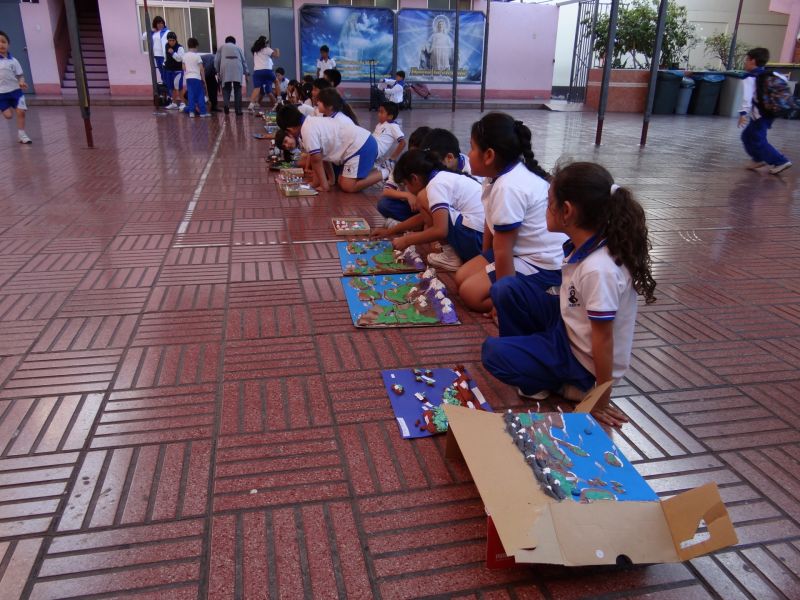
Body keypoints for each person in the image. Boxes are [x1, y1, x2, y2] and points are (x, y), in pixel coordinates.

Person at [481, 162, 657, 427]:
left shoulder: (599, 269)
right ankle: (536, 364)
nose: (545, 208)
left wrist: (600, 399)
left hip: (581, 361)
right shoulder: (588, 246)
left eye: (548, 202)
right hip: (569, 326)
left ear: (566, 211)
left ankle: (568, 385)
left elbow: (603, 339)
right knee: (506, 289)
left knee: (493, 352)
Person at [454, 113, 565, 314]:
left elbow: (503, 250)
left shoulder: (509, 187)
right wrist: (485, 258)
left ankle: (543, 301)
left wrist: (503, 301)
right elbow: (491, 223)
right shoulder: (495, 177)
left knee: (470, 294)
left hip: (542, 262)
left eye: (472, 148)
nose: (468, 154)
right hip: (519, 251)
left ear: (489, 155)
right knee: (461, 277)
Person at [373, 149, 484, 271]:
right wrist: (389, 231)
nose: (407, 189)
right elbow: (423, 217)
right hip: (480, 239)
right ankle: (452, 254)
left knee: (422, 197)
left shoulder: (435, 185)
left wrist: (406, 240)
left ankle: (450, 257)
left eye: (406, 184)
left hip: (476, 240)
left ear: (414, 178)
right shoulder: (441, 177)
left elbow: (440, 230)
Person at [276, 105, 383, 193]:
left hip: (361, 146)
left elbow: (316, 160)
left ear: (290, 129)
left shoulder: (307, 130)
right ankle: (377, 168)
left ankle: (385, 171)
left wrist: (324, 186)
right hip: (361, 144)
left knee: (348, 186)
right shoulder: (309, 122)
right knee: (340, 180)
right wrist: (329, 181)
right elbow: (323, 157)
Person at [739, 47, 792, 175]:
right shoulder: (771, 74)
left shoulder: (750, 77)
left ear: (753, 61)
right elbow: (784, 83)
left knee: (758, 139)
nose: (745, 62)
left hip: (760, 114)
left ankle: (780, 161)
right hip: (770, 111)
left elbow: (747, 98)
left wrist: (743, 114)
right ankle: (757, 159)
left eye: (747, 60)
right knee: (746, 136)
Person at [377, 126, 430, 226]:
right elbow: (387, 191)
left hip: (430, 209)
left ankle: (414, 225)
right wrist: (408, 195)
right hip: (412, 208)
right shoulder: (403, 164)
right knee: (384, 204)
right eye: (412, 153)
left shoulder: (433, 169)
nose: (414, 158)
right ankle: (414, 224)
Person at [0, 30, 31, 144]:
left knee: (21, 112)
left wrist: (22, 82)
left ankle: (22, 135)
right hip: (2, 94)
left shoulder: (14, 61)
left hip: (16, 92)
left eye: (3, 42)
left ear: (8, 44)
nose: (1, 44)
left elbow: (20, 75)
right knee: (8, 116)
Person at [215, 36, 248, 115]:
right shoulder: (238, 48)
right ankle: (238, 110)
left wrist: (217, 70)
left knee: (226, 88)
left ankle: (226, 104)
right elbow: (243, 60)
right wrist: (246, 72)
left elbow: (216, 60)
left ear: (226, 41)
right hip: (237, 68)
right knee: (238, 89)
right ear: (234, 42)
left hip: (225, 68)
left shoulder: (221, 47)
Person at [372, 101, 405, 177]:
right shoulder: (379, 124)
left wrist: (392, 158)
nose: (378, 114)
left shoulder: (393, 126)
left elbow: (402, 143)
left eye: (381, 112)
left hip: (375, 149)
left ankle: (387, 169)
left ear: (390, 116)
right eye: (378, 112)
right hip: (372, 147)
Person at [248, 35, 280, 112]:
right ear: (265, 43)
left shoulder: (255, 51)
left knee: (256, 89)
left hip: (257, 72)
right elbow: (277, 56)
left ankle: (251, 105)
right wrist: (277, 50)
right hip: (267, 71)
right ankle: (279, 98)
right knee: (276, 81)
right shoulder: (267, 49)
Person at [182, 38, 209, 118]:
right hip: (197, 77)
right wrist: (203, 79)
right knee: (200, 94)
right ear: (196, 46)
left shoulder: (185, 56)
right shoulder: (197, 56)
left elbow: (183, 68)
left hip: (188, 78)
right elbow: (201, 69)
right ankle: (203, 112)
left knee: (191, 94)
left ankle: (191, 112)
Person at [142, 16, 170, 83]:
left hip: (164, 55)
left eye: (161, 23)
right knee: (161, 71)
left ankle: (168, 85)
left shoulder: (167, 31)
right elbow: (144, 37)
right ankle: (165, 84)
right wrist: (151, 30)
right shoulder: (154, 32)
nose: (160, 25)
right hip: (156, 55)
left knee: (166, 71)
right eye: (158, 23)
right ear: (155, 24)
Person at [163, 32, 185, 110]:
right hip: (169, 70)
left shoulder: (180, 48)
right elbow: (166, 56)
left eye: (173, 40)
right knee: (171, 87)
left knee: (179, 87)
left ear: (175, 40)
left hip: (177, 71)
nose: (171, 42)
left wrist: (173, 53)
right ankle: (174, 103)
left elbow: (180, 59)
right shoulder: (166, 46)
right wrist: (164, 63)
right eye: (169, 40)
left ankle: (183, 102)